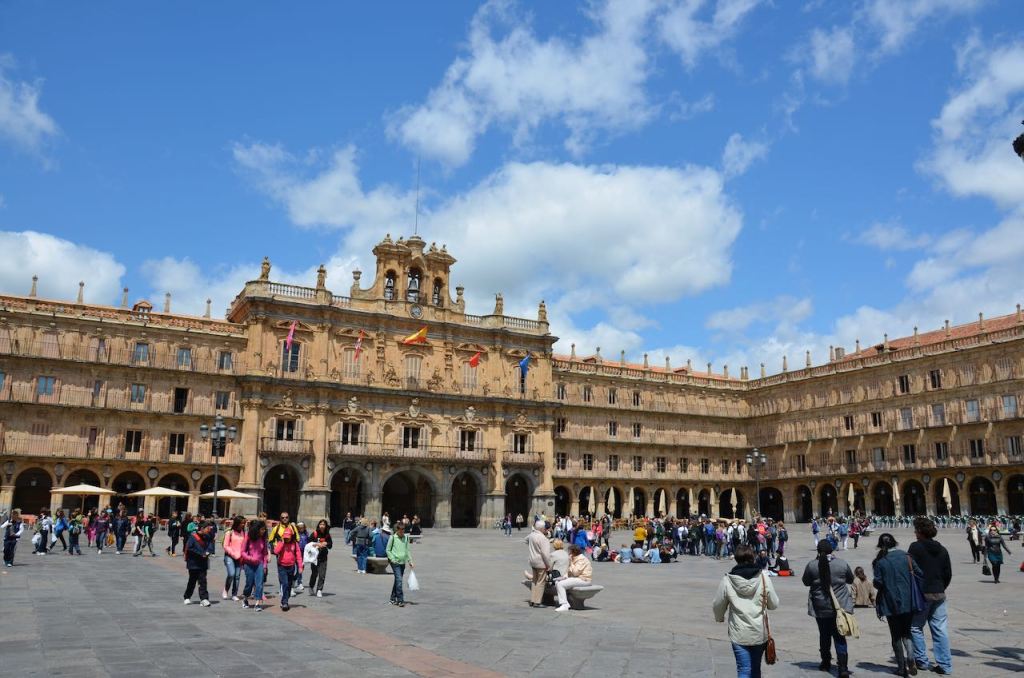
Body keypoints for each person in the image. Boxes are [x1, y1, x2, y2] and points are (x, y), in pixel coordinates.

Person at [713, 545, 779, 678]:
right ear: (753, 557)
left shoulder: (728, 580)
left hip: (738, 632)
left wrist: (719, 617)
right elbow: (774, 604)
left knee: (743, 669)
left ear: (737, 559)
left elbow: (717, 604)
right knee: (755, 668)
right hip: (759, 631)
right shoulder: (763, 577)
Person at [872, 533, 923, 678]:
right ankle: (911, 656)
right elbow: (919, 573)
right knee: (906, 632)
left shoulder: (881, 562)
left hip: (890, 602)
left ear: (881, 545)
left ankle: (901, 668)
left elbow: (878, 583)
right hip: (908, 601)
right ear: (895, 542)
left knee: (896, 636)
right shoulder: (907, 557)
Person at [802, 540, 854, 677]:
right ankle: (843, 667)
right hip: (840, 607)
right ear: (832, 550)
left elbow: (806, 582)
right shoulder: (842, 564)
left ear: (818, 551)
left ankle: (825, 662)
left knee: (824, 635)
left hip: (820, 606)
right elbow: (850, 579)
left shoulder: (812, 565)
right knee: (840, 636)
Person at [908, 517, 952, 675]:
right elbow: (948, 573)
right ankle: (945, 665)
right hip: (939, 593)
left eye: (916, 530)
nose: (914, 533)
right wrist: (940, 587)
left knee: (915, 627)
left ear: (920, 531)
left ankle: (922, 661)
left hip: (922, 594)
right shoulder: (943, 549)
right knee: (940, 629)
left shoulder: (915, 547)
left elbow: (909, 569)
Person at [554, 545, 593, 612]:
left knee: (560, 584)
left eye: (570, 551)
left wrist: (571, 563)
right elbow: (569, 571)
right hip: (577, 578)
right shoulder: (574, 558)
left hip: (584, 579)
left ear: (574, 552)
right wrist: (564, 577)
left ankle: (564, 604)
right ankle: (565, 602)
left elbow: (575, 572)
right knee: (557, 582)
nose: (569, 553)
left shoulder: (581, 559)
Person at [240, 520, 268, 611]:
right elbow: (242, 552)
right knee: (249, 583)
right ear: (257, 529)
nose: (264, 531)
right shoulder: (248, 537)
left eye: (264, 529)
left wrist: (265, 566)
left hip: (259, 564)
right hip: (249, 564)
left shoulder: (263, 539)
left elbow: (265, 554)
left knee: (259, 584)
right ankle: (245, 598)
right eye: (262, 529)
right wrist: (251, 558)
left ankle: (257, 604)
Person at [183, 521, 213, 607]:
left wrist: (208, 552)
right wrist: (201, 553)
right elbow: (190, 548)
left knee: (203, 581)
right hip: (193, 563)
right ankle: (187, 597)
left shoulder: (207, 536)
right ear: (202, 528)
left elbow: (210, 546)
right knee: (192, 581)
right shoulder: (193, 537)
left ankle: (204, 599)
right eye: (207, 528)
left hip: (203, 562)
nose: (209, 530)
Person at [273, 528, 302, 611]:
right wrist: (281, 543)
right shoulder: (281, 543)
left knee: (289, 585)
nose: (287, 539)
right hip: (282, 567)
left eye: (288, 537)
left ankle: (285, 599)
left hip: (291, 567)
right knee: (285, 583)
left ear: (291, 536)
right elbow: (276, 551)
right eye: (285, 537)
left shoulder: (295, 544)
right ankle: (285, 602)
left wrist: (300, 566)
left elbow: (299, 555)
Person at [385, 521, 413, 607]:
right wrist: (392, 559)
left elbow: (407, 550)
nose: (402, 531)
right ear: (397, 530)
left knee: (398, 580)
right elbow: (388, 550)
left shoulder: (406, 538)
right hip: (395, 562)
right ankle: (400, 600)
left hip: (402, 562)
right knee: (399, 580)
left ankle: (392, 599)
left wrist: (410, 561)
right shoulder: (393, 538)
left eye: (403, 529)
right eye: (400, 529)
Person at [527, 520, 552, 608]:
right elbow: (545, 554)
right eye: (545, 528)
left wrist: (533, 549)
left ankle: (533, 600)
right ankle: (537, 602)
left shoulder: (532, 535)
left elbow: (525, 540)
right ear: (542, 528)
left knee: (534, 581)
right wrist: (548, 565)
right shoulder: (543, 539)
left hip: (533, 561)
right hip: (541, 563)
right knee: (541, 582)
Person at [222, 516, 246, 601]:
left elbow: (244, 545)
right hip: (230, 556)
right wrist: (234, 554)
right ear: (237, 523)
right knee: (231, 574)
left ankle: (234, 594)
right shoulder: (230, 532)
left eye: (244, 523)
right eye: (241, 523)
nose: (243, 525)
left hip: (240, 557)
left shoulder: (243, 532)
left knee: (237, 576)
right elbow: (225, 546)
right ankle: (226, 589)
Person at [307, 519, 332, 597]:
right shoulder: (314, 534)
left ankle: (319, 590)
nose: (322, 526)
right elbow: (308, 544)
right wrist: (317, 544)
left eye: (323, 524)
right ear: (318, 525)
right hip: (315, 557)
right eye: (321, 524)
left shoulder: (327, 535)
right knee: (314, 574)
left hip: (323, 557)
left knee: (322, 575)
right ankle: (311, 586)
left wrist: (326, 543)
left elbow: (330, 545)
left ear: (325, 526)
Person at [294, 522, 310, 593]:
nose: (301, 528)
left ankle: (294, 579)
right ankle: (299, 582)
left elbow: (308, 542)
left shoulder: (306, 534)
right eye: (299, 527)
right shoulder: (295, 534)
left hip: (304, 552)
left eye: (302, 527)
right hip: (297, 552)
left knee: (301, 567)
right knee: (298, 567)